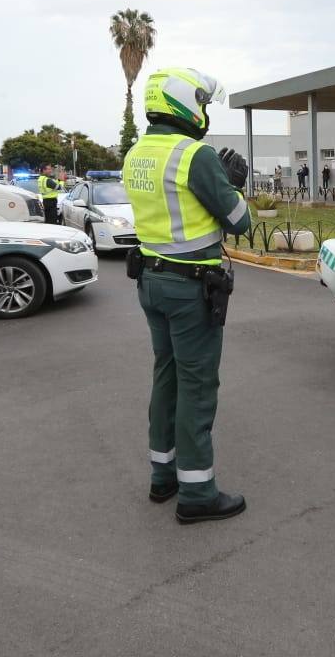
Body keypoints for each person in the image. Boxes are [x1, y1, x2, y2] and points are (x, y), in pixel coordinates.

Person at [123, 67, 252, 525]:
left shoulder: (137, 152)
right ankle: (197, 494)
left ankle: (164, 477)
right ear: (185, 104)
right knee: (198, 388)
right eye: (202, 102)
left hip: (150, 281)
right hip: (190, 286)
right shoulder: (194, 156)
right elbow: (241, 221)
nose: (204, 111)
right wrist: (234, 181)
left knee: (167, 377)